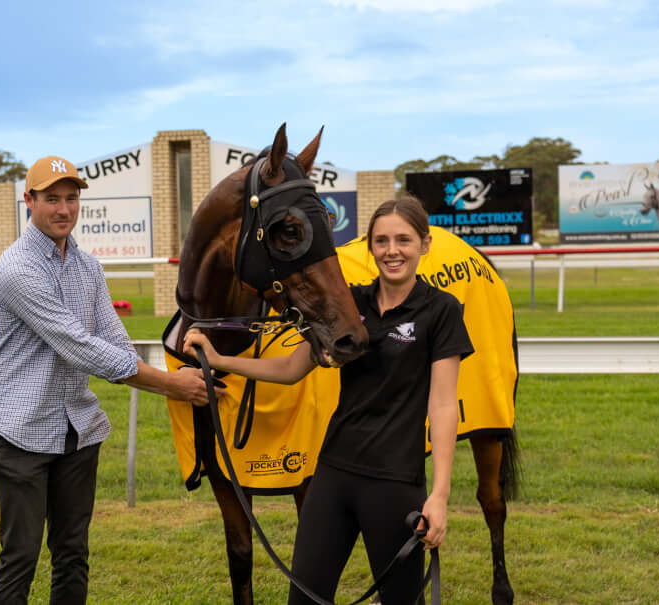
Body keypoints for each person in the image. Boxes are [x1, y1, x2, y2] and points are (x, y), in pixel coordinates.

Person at [185, 196, 472, 605]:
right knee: (304, 598)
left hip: (394, 483)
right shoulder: (350, 304)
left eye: (404, 240)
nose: (392, 251)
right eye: (382, 241)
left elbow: (443, 406)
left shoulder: (441, 310)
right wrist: (219, 359)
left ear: (424, 245)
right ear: (370, 247)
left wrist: (439, 495)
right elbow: (290, 369)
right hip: (333, 475)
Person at [0, 154, 216, 605]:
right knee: (21, 557)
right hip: (22, 432)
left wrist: (176, 369)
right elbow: (81, 347)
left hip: (78, 430)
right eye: (52, 199)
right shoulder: (17, 270)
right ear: (28, 201)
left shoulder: (88, 267)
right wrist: (172, 385)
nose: (64, 209)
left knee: (72, 553)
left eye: (71, 199)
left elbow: (116, 342)